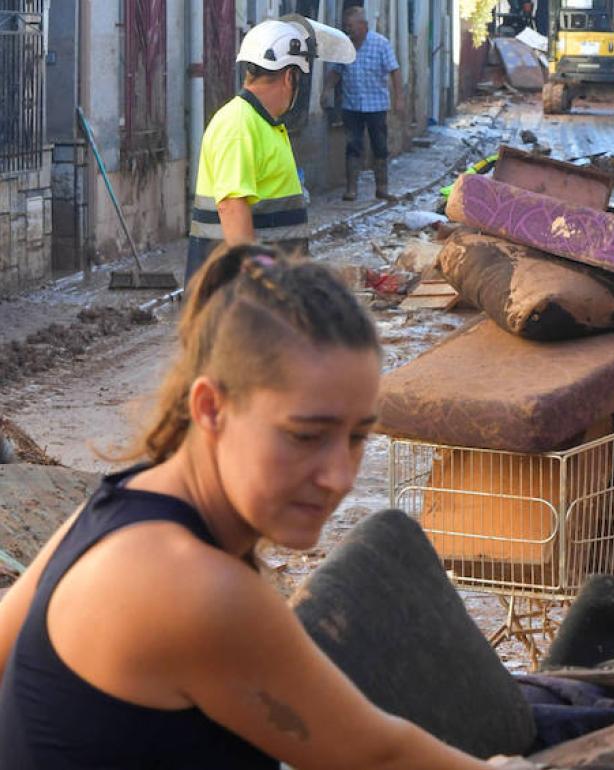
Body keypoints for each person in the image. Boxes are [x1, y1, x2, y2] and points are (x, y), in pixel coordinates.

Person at [0, 243, 509, 768]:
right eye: (305, 436)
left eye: (357, 437)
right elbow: (378, 756)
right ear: (210, 408)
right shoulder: (197, 591)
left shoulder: (119, 503)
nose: (340, 477)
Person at [186, 18, 354, 285]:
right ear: (290, 77)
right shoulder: (239, 124)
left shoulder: (264, 123)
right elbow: (232, 208)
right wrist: (261, 285)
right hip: (234, 299)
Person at [324, 6, 403, 202]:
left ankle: (382, 188)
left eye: (350, 26)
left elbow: (395, 70)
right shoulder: (345, 47)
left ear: (363, 25)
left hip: (376, 105)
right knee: (353, 146)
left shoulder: (380, 44)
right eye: (346, 26)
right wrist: (327, 89)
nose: (348, 30)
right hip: (352, 106)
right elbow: (336, 71)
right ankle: (352, 189)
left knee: (379, 146)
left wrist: (399, 98)